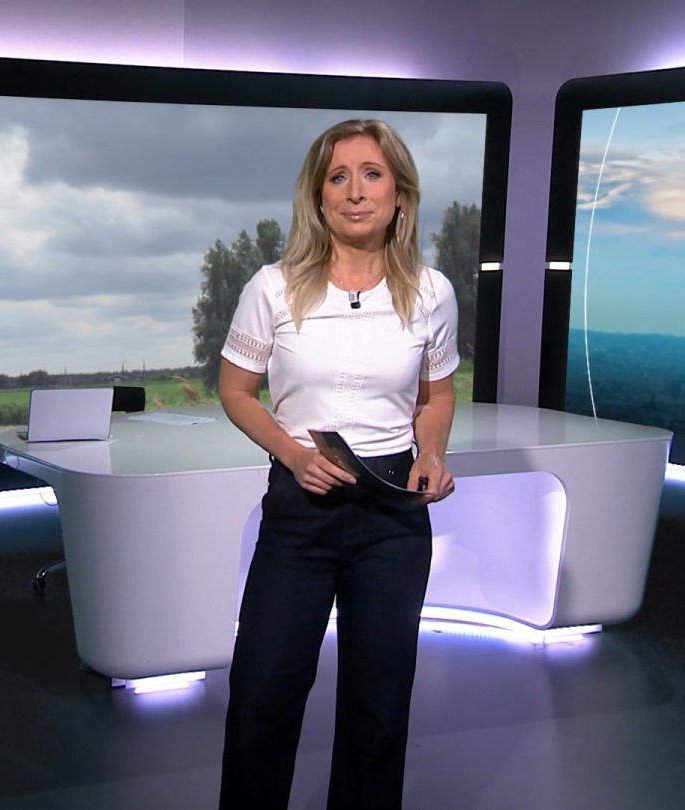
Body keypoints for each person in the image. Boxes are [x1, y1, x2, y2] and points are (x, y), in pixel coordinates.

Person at [217, 119, 459, 810]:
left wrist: (431, 453)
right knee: (262, 694)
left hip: (391, 513)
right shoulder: (273, 287)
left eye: (372, 174)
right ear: (318, 196)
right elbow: (235, 391)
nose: (356, 192)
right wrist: (292, 454)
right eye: (339, 177)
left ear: (399, 194)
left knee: (378, 705)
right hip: (302, 507)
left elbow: (437, 396)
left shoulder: (431, 293)